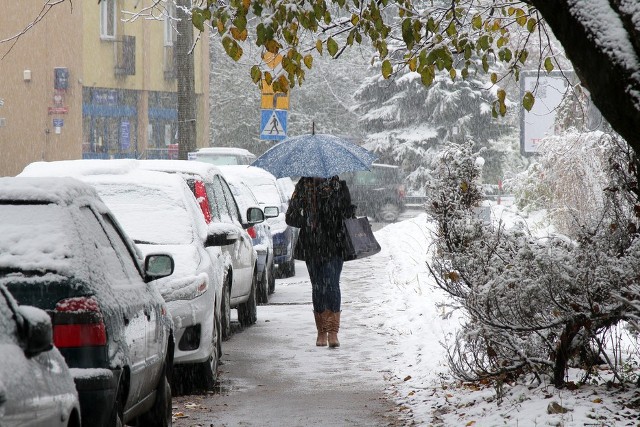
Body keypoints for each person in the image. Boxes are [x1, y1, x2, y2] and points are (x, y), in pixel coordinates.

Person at [285, 176, 356, 348]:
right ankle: (321, 331)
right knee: (317, 286)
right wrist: (307, 219)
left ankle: (333, 332)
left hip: (335, 244)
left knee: (331, 285)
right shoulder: (303, 186)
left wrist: (339, 209)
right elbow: (290, 217)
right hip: (312, 245)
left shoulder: (339, 186)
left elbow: (348, 215)